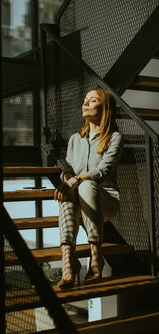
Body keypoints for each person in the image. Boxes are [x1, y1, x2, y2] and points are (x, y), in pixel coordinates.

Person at [54, 88, 124, 289]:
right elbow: (66, 168)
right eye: (85, 100)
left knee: (86, 186)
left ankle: (95, 260)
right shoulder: (75, 139)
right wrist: (68, 181)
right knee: (69, 193)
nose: (85, 103)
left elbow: (103, 170)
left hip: (105, 202)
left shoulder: (115, 137)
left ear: (105, 108)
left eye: (92, 101)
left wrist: (74, 180)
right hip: (78, 201)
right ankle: (68, 263)